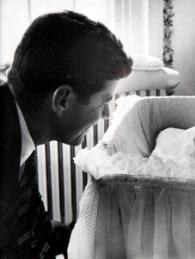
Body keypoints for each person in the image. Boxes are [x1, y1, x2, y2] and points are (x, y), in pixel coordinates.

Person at [0, 11, 132, 258]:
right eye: (103, 103)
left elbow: (37, 237)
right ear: (63, 99)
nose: (106, 115)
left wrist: (105, 224)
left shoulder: (18, 123)